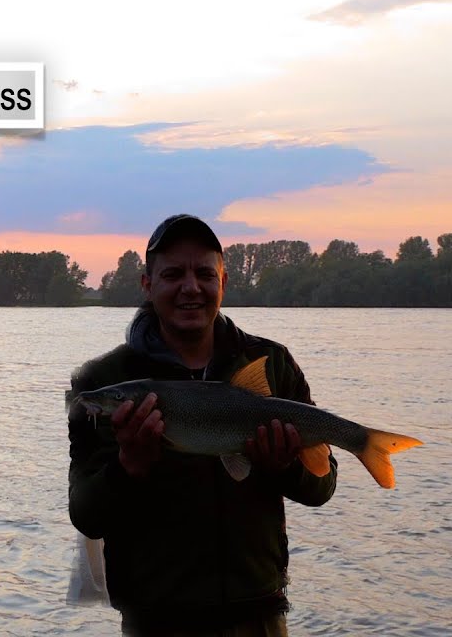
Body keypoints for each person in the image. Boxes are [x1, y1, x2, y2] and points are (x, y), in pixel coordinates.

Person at [68, 215, 338, 637]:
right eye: (173, 274)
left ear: (223, 282)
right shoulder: (101, 382)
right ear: (147, 284)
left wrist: (283, 466)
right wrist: (128, 467)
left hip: (260, 614)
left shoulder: (271, 362)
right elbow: (85, 516)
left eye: (205, 274)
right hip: (154, 622)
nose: (190, 287)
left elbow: (322, 488)